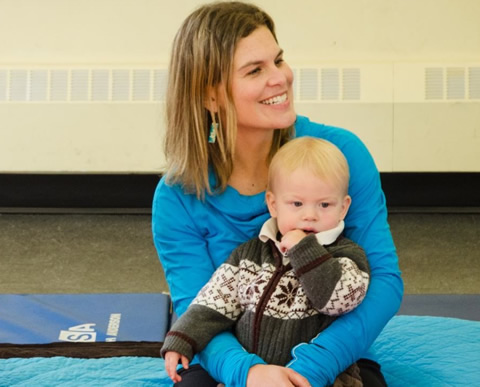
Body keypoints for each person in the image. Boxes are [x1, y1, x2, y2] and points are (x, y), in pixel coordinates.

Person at [152, 2, 403, 386]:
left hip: (332, 356)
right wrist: (249, 373)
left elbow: (384, 281)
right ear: (210, 96)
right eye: (255, 70)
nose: (281, 78)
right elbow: (198, 307)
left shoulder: (341, 154)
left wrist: (312, 366)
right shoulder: (177, 197)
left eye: (278, 60)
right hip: (229, 359)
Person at [161, 137, 369, 387]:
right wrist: (183, 338)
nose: (310, 215)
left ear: (343, 208)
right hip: (254, 373)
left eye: (325, 204)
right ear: (273, 204)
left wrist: (304, 250)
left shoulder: (346, 255)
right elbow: (214, 301)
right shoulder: (250, 254)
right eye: (297, 204)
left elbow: (338, 300)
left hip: (323, 377)